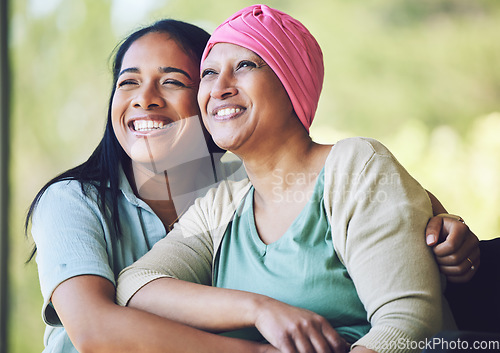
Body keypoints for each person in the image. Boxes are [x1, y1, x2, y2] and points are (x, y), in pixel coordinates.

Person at [26, 11, 479, 353]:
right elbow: (99, 325)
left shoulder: (238, 182)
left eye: (173, 81)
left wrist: (442, 225)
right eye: (208, 73)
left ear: (291, 84)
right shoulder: (83, 202)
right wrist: (258, 313)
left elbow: (374, 195)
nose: (145, 100)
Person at [26, 19, 277, 353]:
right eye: (128, 82)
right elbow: (95, 331)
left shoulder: (247, 190)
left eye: (172, 81)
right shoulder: (71, 201)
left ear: (211, 99)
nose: (145, 99)